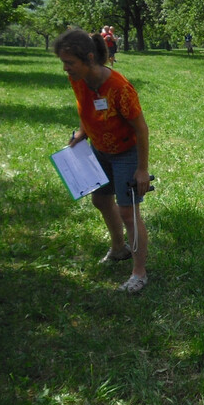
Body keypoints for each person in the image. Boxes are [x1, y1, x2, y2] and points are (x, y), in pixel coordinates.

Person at [54, 29, 152, 294]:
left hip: (125, 153)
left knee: (128, 212)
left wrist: (142, 169)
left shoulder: (119, 88)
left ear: (88, 57)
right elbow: (86, 108)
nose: (65, 68)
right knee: (100, 200)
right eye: (63, 62)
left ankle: (139, 272)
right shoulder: (79, 79)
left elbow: (141, 129)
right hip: (98, 151)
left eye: (69, 63)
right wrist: (82, 132)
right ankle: (118, 249)